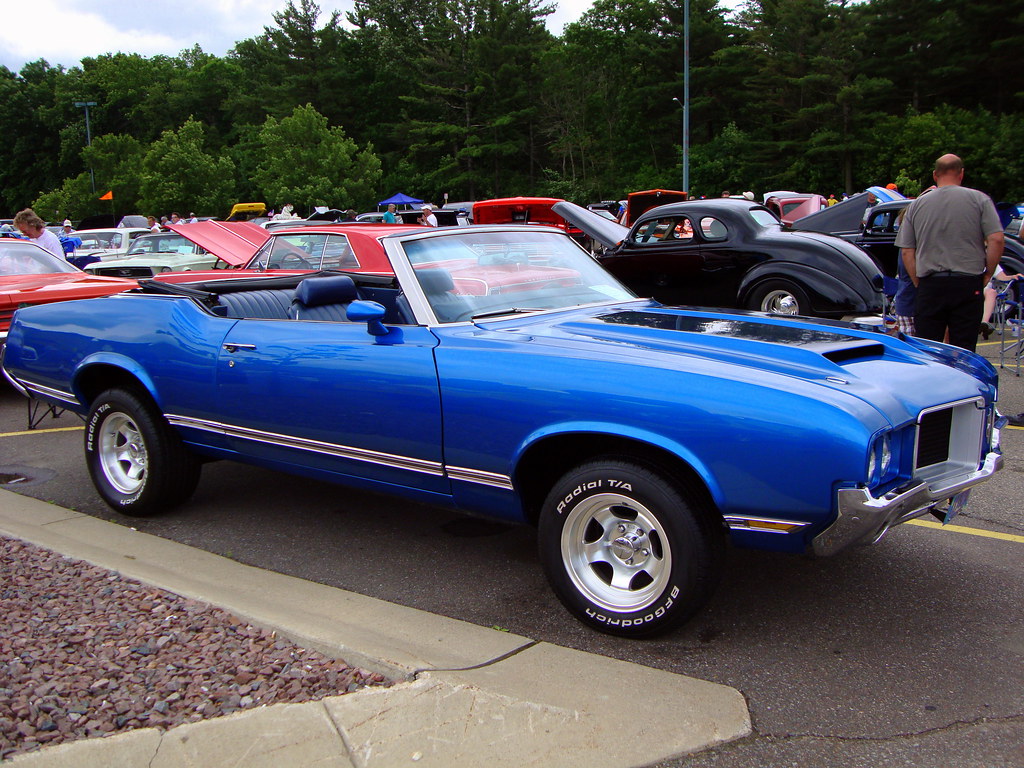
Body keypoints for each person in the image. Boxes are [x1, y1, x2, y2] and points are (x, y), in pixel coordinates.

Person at [895, 153, 1004, 352]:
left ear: (935, 175)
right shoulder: (980, 200)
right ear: (961, 174)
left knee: (929, 348)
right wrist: (988, 272)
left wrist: (918, 280)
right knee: (964, 347)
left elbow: (907, 251)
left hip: (931, 283)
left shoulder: (917, 205)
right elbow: (996, 239)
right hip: (967, 282)